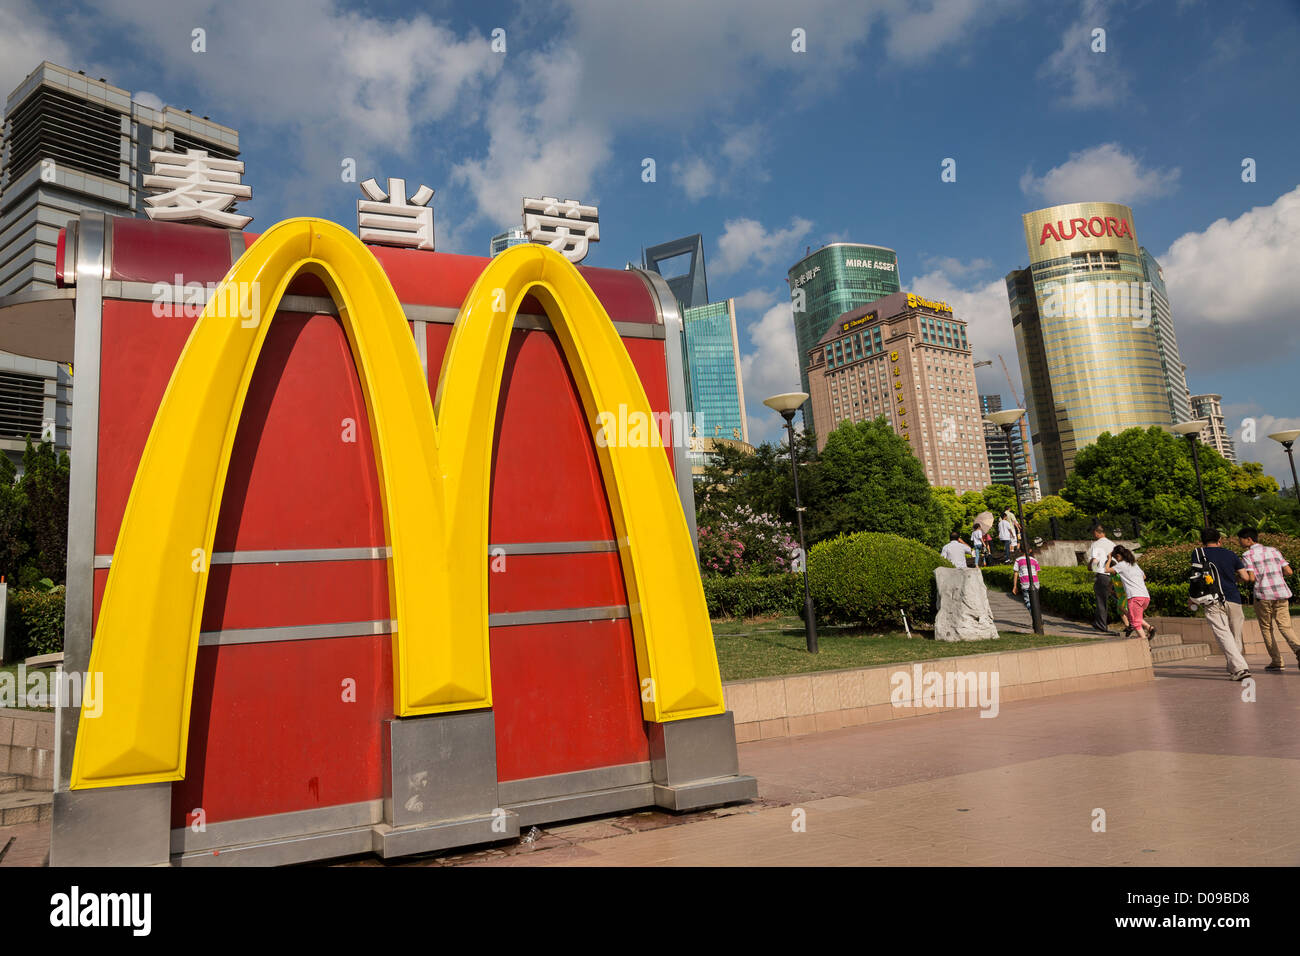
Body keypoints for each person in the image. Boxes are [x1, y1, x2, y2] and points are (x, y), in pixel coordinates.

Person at [1190, 528, 1252, 681]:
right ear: (1220, 540)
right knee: (1235, 635)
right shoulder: (1230, 554)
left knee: (1223, 634)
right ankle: (1235, 667)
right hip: (1234, 598)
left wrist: (1191, 598)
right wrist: (1233, 581)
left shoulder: (1198, 553)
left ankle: (1239, 668)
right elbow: (1245, 576)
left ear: (1202, 542)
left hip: (1213, 600)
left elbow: (1196, 578)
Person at [1238, 527, 1299, 672]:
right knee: (1285, 626)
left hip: (1263, 594)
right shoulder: (1274, 550)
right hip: (1281, 593)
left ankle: (1277, 661)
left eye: (1240, 539)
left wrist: (1239, 579)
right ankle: (1298, 650)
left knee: (1266, 628)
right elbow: (1289, 571)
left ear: (1248, 539)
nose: (1239, 542)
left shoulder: (1247, 554)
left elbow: (1251, 578)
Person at [1106, 545, 1152, 641]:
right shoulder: (1134, 564)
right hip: (1145, 597)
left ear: (1118, 556)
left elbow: (1106, 570)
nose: (1116, 560)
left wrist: (1109, 559)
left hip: (1134, 596)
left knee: (1134, 622)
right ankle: (1150, 629)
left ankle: (1144, 642)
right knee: (1135, 618)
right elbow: (1144, 577)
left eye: (1116, 558)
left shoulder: (1121, 565)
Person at [1087, 524, 1114, 633]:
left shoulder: (1096, 544)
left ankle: (1101, 625)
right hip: (1113, 574)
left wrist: (1091, 568)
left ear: (1096, 533)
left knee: (1101, 601)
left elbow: (1095, 560)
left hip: (1102, 575)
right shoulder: (1112, 543)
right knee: (1119, 600)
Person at [1011, 544, 1040, 612]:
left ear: (1020, 550)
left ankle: (1034, 616)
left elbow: (1016, 573)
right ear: (1030, 550)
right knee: (1035, 602)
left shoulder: (1018, 560)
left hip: (1025, 583)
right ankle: (1037, 617)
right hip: (1035, 583)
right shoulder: (1034, 560)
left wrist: (1015, 586)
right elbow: (1036, 573)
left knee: (1028, 602)